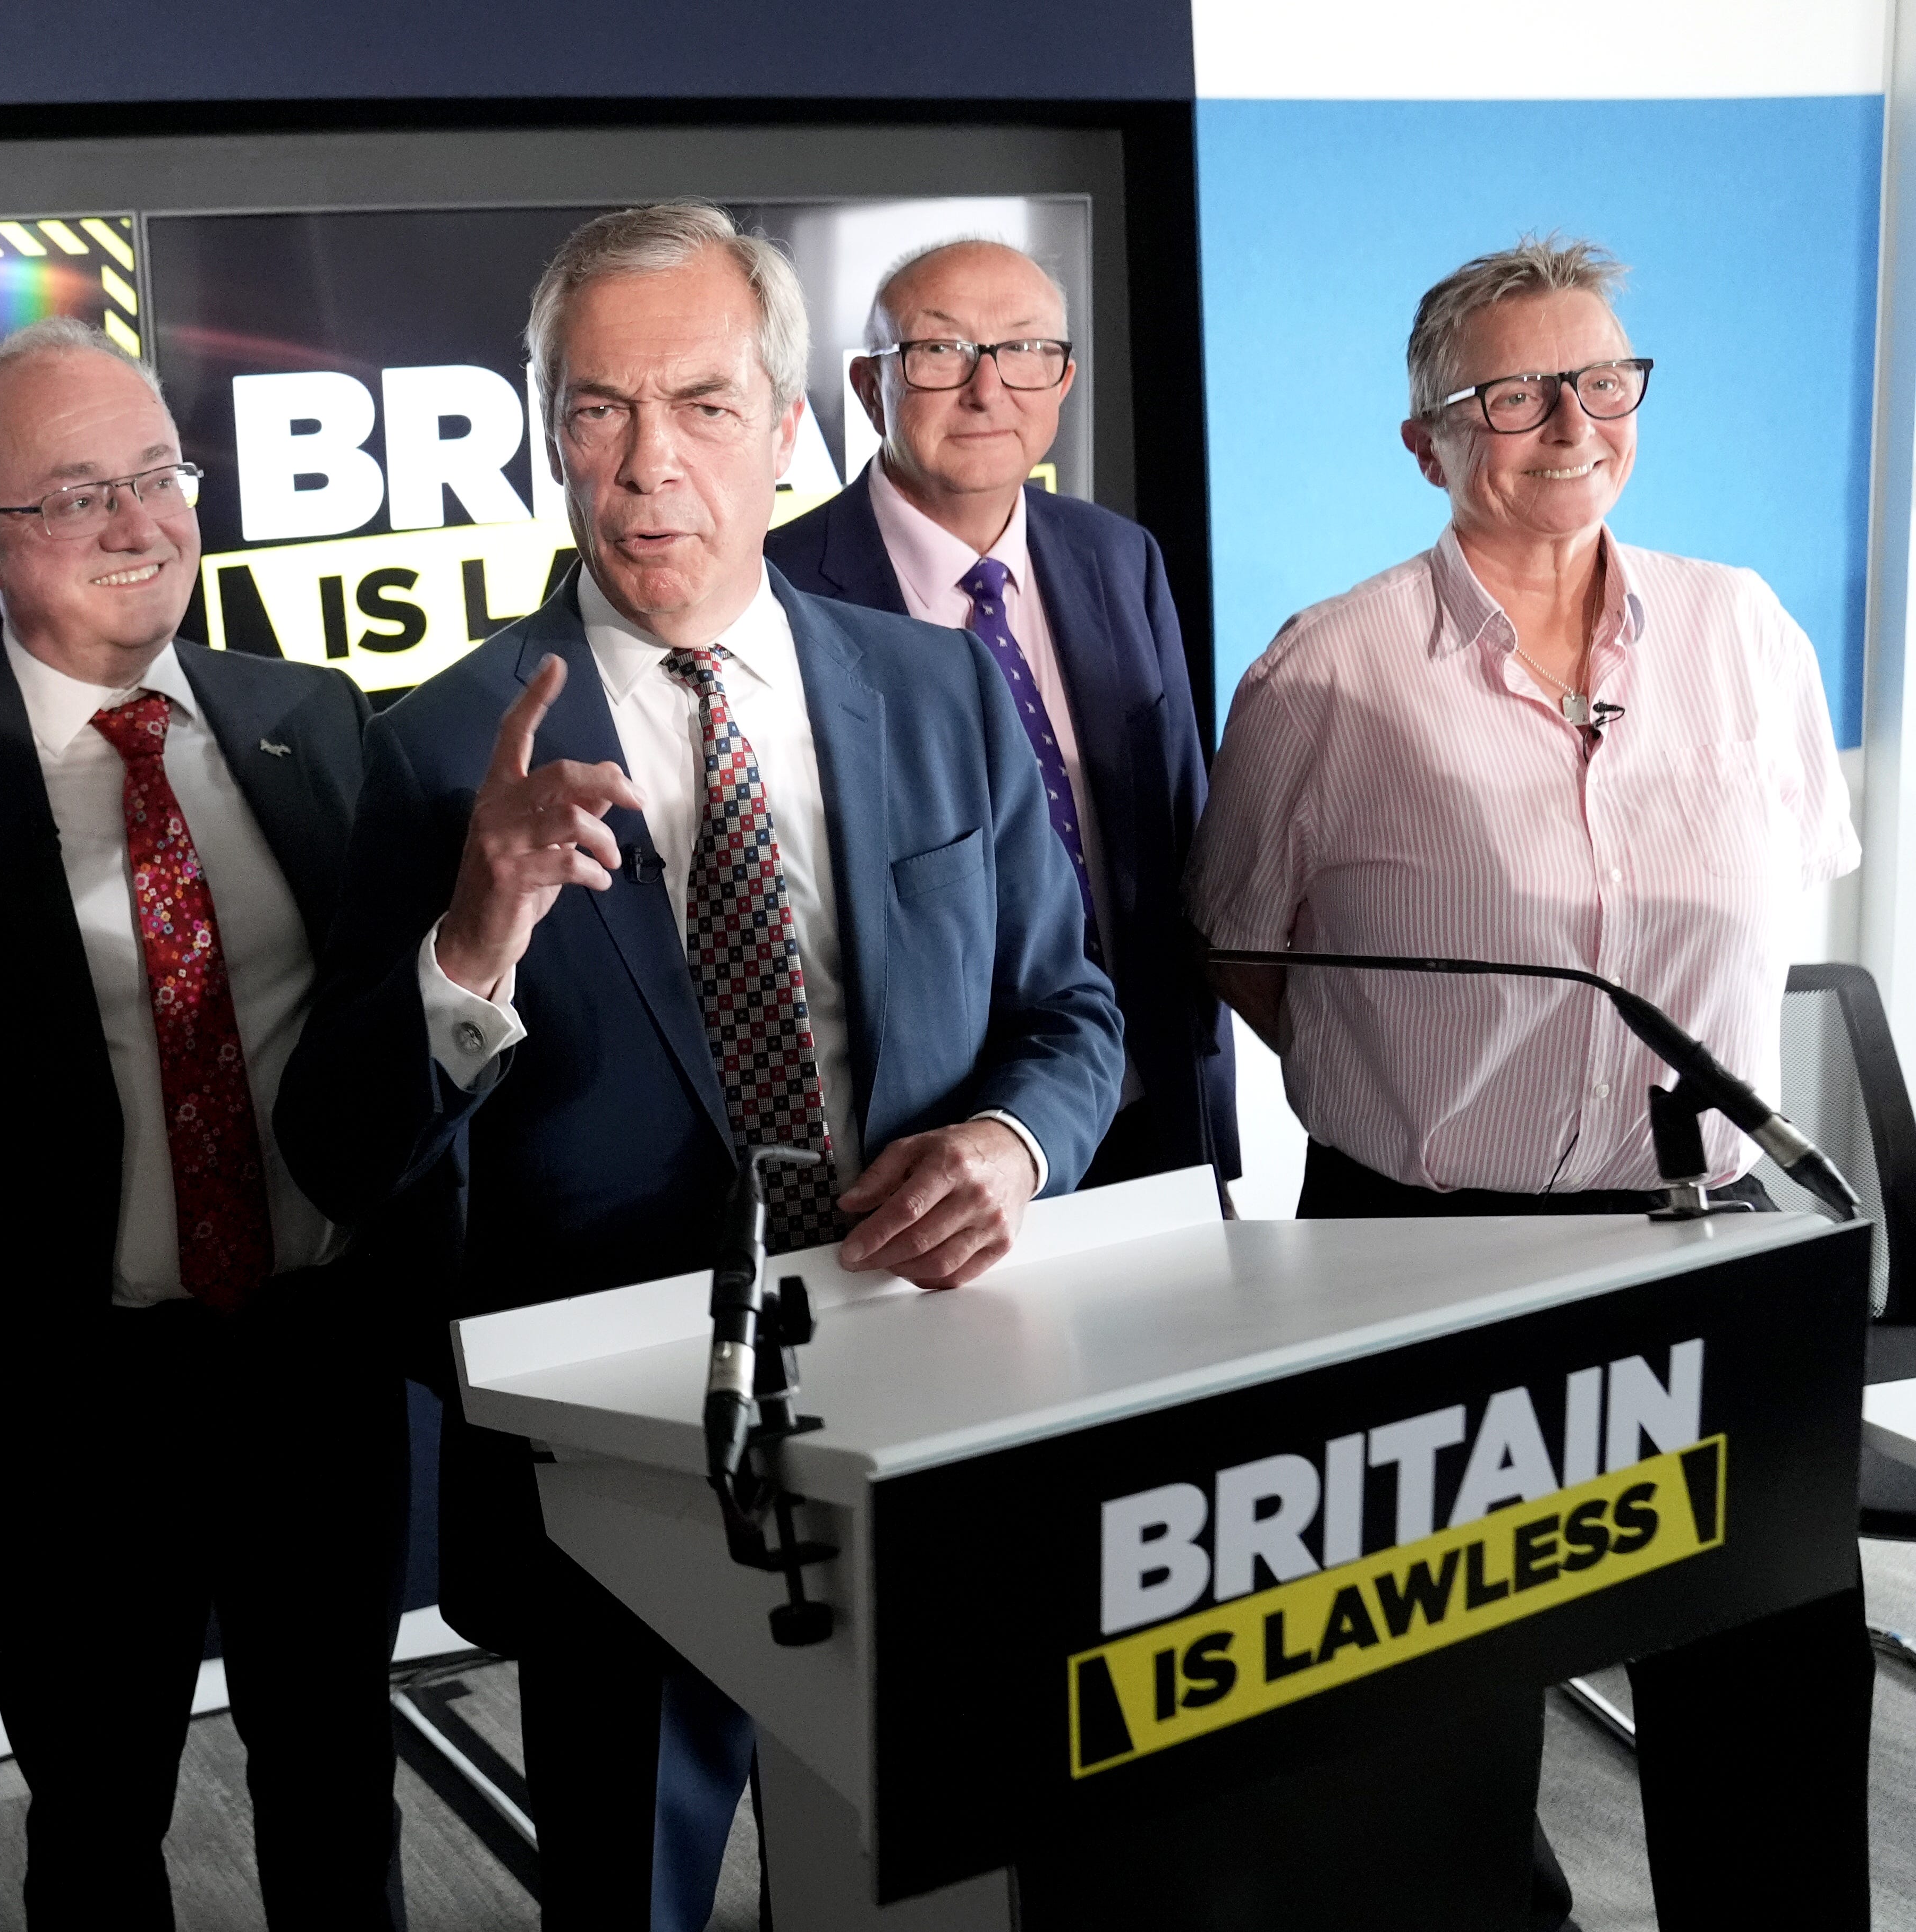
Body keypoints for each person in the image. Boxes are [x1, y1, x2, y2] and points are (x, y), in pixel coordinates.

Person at [277, 203, 1123, 1928]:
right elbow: (336, 1144)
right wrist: (474, 935)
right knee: (630, 1894)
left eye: (701, 403)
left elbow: (1070, 1016)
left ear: (790, 423)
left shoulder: (942, 687)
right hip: (626, 1450)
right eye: (596, 408)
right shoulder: (438, 743)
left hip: (937, 1393)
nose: (648, 461)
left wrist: (1009, 1147)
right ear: (546, 432)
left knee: (947, 1876)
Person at [1188, 236, 1868, 1932]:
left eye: (1603, 380)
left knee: (1771, 1706)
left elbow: (1796, 880)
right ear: (1428, 438)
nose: (1570, 420)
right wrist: (1430, 1090)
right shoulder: (1323, 670)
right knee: (1428, 1762)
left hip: (1711, 1235)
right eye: (1513, 393)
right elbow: (1242, 947)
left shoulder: (1745, 627)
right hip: (1419, 1249)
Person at [0, 318, 406, 1930]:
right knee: (97, 1815)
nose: (143, 521)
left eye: (160, 473)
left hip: (315, 1363)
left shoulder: (317, 716)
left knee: (338, 1784)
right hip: (67, 1399)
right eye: (82, 491)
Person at [769, 239, 1233, 1190]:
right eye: (941, 354)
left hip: (1146, 1106)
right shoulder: (782, 593)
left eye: (1025, 352)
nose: (988, 391)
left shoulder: (1120, 558)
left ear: (1063, 381)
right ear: (868, 387)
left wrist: (1209, 1120)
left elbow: (1181, 853)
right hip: (933, 1145)